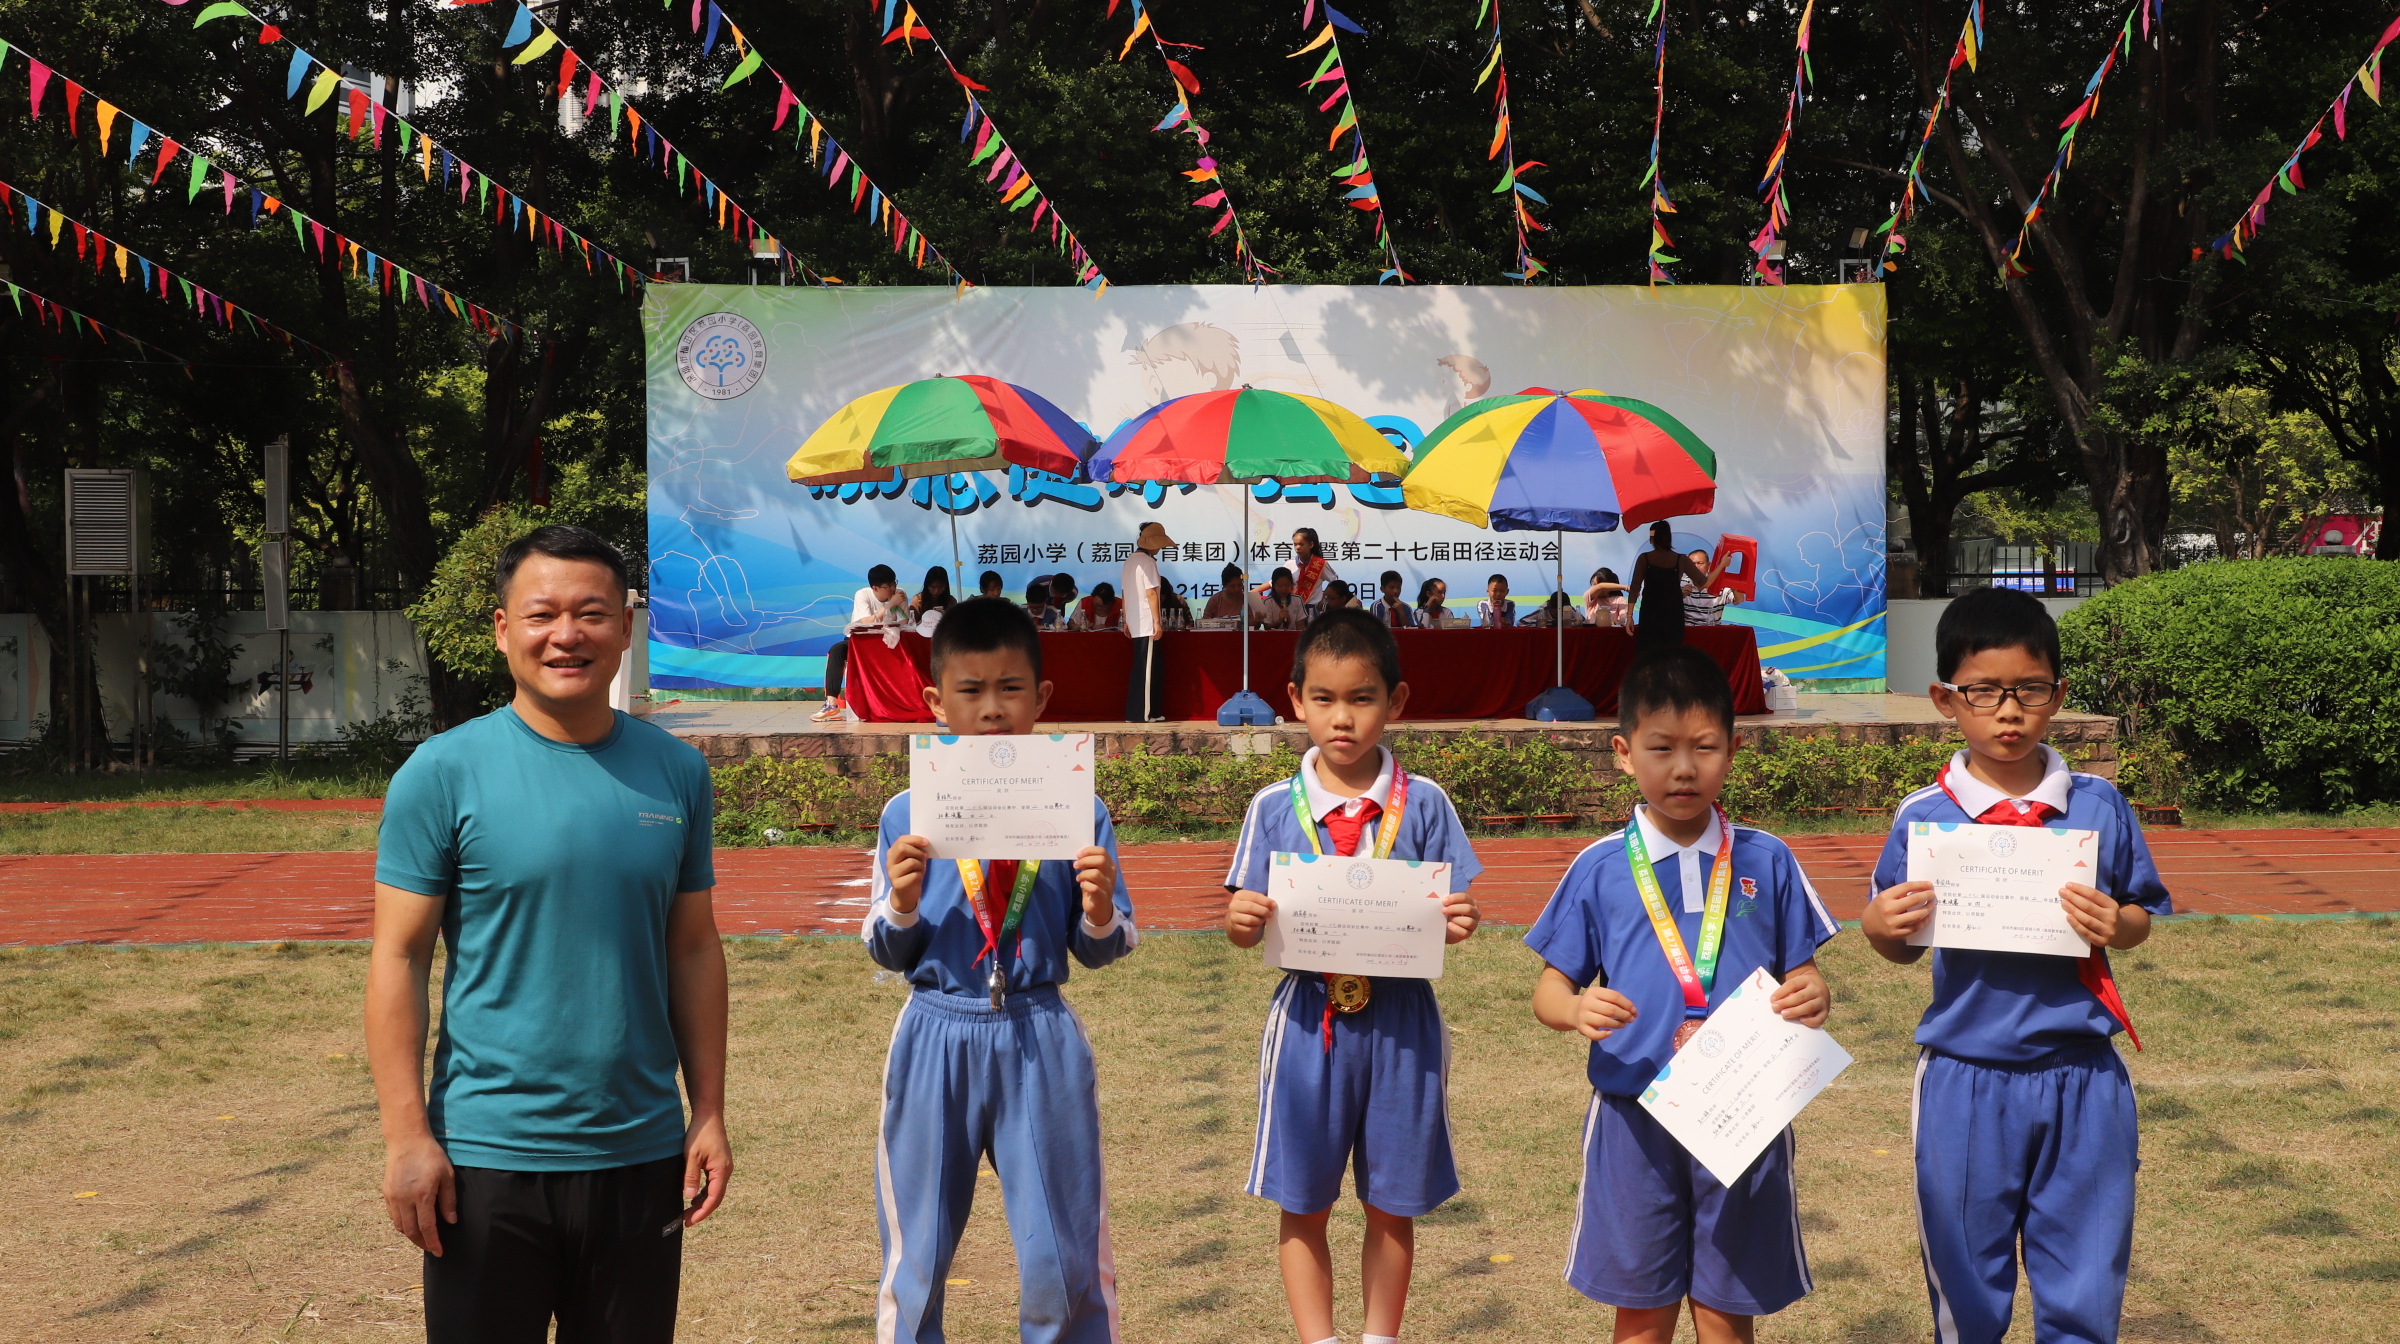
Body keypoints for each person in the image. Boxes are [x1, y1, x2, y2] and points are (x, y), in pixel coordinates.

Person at [367, 525, 729, 1343]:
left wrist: (705, 1110)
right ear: (503, 629)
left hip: (639, 1153)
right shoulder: (441, 772)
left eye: (592, 613)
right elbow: (399, 957)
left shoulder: (677, 772)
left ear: (627, 628)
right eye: (542, 614)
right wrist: (406, 1138)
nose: (567, 635)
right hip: (485, 1159)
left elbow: (694, 947)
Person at [1861, 588, 2170, 1344]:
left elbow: (2140, 915)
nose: (2008, 711)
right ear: (1944, 699)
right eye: (1984, 692)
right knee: (1967, 1286)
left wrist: (2115, 924)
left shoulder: (2098, 804)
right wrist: (1879, 925)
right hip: (1966, 1075)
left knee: (2086, 1283)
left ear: (2057, 695)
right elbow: (1896, 941)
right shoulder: (1922, 815)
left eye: (2029, 690)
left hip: (2083, 1073)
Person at [1525, 644, 1838, 1344]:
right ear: (1622, 752)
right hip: (1633, 1112)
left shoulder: (1766, 857)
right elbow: (1550, 988)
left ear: (1732, 750)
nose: (1684, 767)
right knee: (1640, 1306)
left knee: (1728, 1306)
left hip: (1742, 1110)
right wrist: (1576, 1009)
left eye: (1704, 747)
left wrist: (1811, 993)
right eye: (1661, 747)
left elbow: (1804, 972)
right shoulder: (1600, 868)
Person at [867, 598, 1137, 1344]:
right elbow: (886, 951)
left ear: (1043, 697)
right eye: (971, 691)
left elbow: (1105, 948)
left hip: (1039, 1032)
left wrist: (1099, 908)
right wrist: (901, 904)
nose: (992, 710)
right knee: (915, 1254)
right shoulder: (907, 813)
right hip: (934, 1034)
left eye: (1011, 689)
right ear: (934, 702)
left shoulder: (1077, 805)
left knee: (1062, 1256)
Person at [1224, 609, 1484, 1344]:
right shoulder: (1272, 807)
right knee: (1301, 1199)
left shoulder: (1425, 802)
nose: (1343, 719)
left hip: (1404, 1024)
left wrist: (1456, 921)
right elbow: (1244, 922)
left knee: (1392, 1201)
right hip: (1308, 1023)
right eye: (1325, 700)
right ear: (1295, 699)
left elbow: (1454, 910)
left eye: (1363, 699)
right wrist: (1241, 922)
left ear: (1395, 703)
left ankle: (1379, 1337)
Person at [813, 563, 907, 722]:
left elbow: (904, 623)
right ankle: (831, 703)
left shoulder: (899, 594)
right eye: (888, 586)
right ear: (875, 588)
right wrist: (889, 605)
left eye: (894, 583)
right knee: (836, 650)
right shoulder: (863, 595)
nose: (893, 589)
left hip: (886, 643)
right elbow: (866, 621)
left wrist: (896, 605)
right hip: (860, 642)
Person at [1624, 521, 1718, 650]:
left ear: (1653, 538)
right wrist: (1722, 565)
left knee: (1649, 657)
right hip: (1673, 617)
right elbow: (1703, 583)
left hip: (1650, 617)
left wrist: (1629, 617)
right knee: (1671, 657)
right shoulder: (1681, 559)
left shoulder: (1644, 558)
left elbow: (1635, 588)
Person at [1123, 521, 1173, 721]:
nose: (1160, 548)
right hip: (1145, 622)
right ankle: (1142, 714)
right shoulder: (1148, 562)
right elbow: (1151, 593)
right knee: (1147, 669)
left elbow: (1126, 593)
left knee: (1145, 666)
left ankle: (1148, 712)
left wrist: (1127, 619)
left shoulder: (1130, 560)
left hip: (1136, 621)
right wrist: (1157, 622)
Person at [1282, 526, 1340, 609]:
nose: (1297, 547)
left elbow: (1335, 582)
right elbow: (1275, 583)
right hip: (1291, 608)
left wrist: (1324, 597)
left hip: (1311, 609)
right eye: (1295, 544)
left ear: (1311, 545)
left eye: (1301, 544)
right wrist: (1256, 592)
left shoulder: (1320, 564)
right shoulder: (1289, 564)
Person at [1682, 548, 1739, 626]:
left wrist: (1735, 588)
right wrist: (1680, 595)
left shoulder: (1719, 584)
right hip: (1688, 632)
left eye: (1700, 563)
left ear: (1708, 565)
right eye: (1692, 564)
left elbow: (1738, 600)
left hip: (1712, 631)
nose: (1696, 567)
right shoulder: (1681, 583)